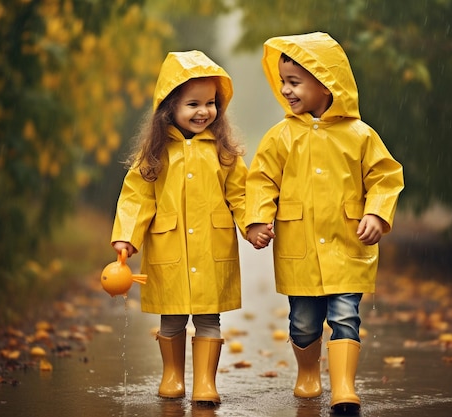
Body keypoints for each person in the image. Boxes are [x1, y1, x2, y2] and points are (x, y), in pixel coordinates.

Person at [245, 32, 404, 414]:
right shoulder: (281, 137)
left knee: (346, 315)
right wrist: (257, 219)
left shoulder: (360, 136)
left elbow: (385, 177)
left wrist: (377, 213)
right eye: (283, 81)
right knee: (303, 321)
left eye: (295, 82)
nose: (285, 89)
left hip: (348, 244)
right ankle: (308, 374)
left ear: (325, 82)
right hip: (299, 249)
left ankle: (345, 387)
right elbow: (262, 180)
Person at [110, 50, 247, 406]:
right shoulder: (155, 154)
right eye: (193, 104)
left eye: (211, 103)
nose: (204, 111)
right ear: (170, 107)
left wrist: (253, 224)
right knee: (171, 316)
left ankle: (205, 382)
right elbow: (137, 197)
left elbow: (242, 194)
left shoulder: (223, 150)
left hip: (211, 247)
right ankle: (172, 376)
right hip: (168, 247)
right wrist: (127, 236)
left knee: (208, 316)